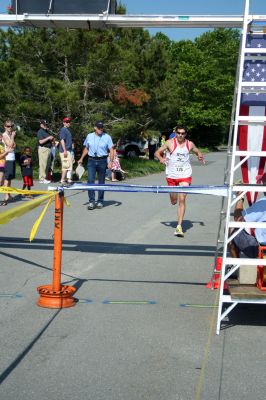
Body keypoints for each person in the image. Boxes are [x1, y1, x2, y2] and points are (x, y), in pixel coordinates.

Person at [155, 125, 204, 237]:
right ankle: (172, 196)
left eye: (183, 133)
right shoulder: (169, 143)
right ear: (175, 133)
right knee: (174, 200)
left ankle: (179, 227)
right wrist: (161, 158)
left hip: (185, 175)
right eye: (179, 133)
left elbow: (196, 150)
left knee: (182, 199)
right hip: (171, 175)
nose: (181, 135)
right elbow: (157, 152)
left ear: (185, 134)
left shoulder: (189, 144)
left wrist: (200, 154)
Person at [78, 121, 114, 210]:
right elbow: (86, 148)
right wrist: (81, 158)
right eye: (99, 128)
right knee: (90, 180)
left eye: (102, 128)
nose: (100, 129)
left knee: (101, 182)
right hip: (91, 160)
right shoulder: (89, 136)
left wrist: (110, 162)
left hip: (102, 160)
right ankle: (91, 201)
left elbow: (111, 150)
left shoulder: (107, 137)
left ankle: (100, 201)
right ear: (95, 128)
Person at [229, 191, 266, 259]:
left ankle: (234, 264)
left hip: (261, 249)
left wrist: (240, 199)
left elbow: (238, 219)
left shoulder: (264, 202)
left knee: (232, 227)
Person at [2, 120, 16, 203]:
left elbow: (14, 145)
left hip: (12, 158)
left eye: (11, 126)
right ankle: (5, 195)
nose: (10, 128)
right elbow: (10, 145)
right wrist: (13, 137)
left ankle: (9, 193)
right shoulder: (4, 135)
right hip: (7, 159)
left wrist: (12, 143)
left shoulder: (10, 134)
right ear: (5, 126)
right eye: (8, 126)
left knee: (10, 177)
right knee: (7, 178)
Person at [37, 120, 53, 184]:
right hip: (43, 149)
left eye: (46, 124)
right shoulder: (40, 131)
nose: (45, 125)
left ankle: (45, 178)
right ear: (41, 125)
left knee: (47, 165)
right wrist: (48, 138)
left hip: (48, 149)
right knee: (43, 164)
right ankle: (42, 179)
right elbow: (40, 142)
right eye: (43, 124)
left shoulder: (46, 132)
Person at [58, 117, 73, 184]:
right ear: (63, 122)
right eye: (66, 122)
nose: (68, 123)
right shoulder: (63, 130)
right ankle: (62, 180)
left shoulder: (68, 130)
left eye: (69, 122)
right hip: (65, 150)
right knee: (65, 165)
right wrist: (64, 150)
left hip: (68, 150)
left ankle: (67, 179)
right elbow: (62, 140)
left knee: (69, 165)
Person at [0, 133, 13, 206]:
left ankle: (6, 198)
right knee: (0, 182)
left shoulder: (1, 145)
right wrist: (6, 152)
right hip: (0, 166)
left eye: (1, 138)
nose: (1, 139)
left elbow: (4, 155)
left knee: (2, 183)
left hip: (3, 165)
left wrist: (7, 152)